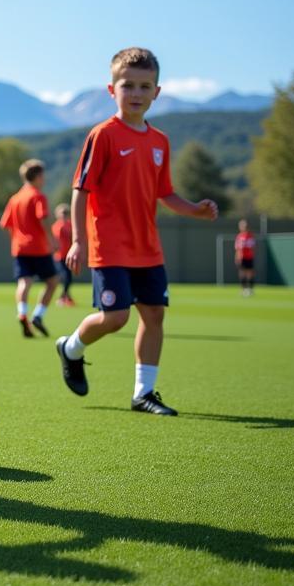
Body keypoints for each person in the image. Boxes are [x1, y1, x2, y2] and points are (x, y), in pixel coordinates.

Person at [56, 47, 218, 416]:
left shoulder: (160, 141)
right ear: (111, 90)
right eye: (128, 85)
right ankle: (71, 348)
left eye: (145, 86)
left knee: (154, 316)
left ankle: (143, 393)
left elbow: (165, 193)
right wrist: (79, 240)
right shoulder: (103, 135)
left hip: (148, 248)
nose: (137, 94)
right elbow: (80, 190)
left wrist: (194, 209)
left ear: (157, 92)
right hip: (109, 247)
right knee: (116, 318)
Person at [0, 160, 58, 338]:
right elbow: (43, 218)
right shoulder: (38, 196)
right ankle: (38, 315)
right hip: (39, 248)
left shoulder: (15, 198)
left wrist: (15, 239)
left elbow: (5, 224)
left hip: (20, 248)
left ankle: (22, 313)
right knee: (52, 281)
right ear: (38, 176)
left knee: (24, 282)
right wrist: (52, 240)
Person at [52, 203, 75, 306]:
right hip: (59, 256)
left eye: (66, 213)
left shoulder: (71, 225)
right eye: (63, 213)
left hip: (69, 255)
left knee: (68, 277)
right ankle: (63, 297)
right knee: (65, 277)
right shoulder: (56, 226)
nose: (65, 215)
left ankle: (66, 296)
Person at [235, 219, 256, 296]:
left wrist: (251, 254)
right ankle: (243, 289)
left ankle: (250, 289)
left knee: (250, 273)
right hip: (241, 258)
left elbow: (252, 247)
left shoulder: (250, 235)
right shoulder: (239, 236)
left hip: (249, 257)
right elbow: (237, 248)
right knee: (242, 273)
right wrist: (237, 257)